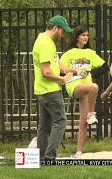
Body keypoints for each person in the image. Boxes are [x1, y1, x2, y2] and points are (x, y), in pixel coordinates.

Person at [60, 25, 109, 157]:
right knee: (94, 87)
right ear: (77, 37)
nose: (86, 37)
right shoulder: (68, 53)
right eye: (83, 35)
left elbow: (105, 67)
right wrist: (72, 72)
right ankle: (92, 113)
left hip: (87, 88)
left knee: (83, 121)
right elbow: (60, 68)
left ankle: (79, 152)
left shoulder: (90, 53)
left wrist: (90, 72)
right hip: (74, 86)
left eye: (87, 35)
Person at [33, 15, 74, 160]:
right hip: (50, 90)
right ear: (55, 28)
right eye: (63, 32)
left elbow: (56, 65)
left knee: (44, 126)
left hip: (42, 90)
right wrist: (62, 79)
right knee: (60, 121)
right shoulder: (45, 44)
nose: (63, 36)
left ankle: (41, 157)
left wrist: (73, 71)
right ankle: (50, 157)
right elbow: (46, 71)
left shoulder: (44, 40)